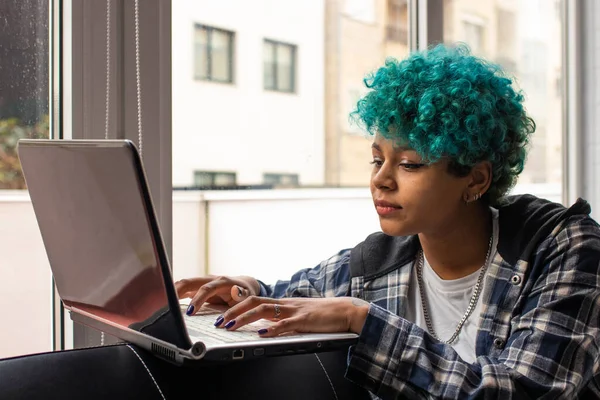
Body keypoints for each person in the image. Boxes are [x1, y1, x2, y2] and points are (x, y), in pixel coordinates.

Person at [176, 44, 600, 399]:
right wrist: (240, 291)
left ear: (476, 178)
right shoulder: (379, 263)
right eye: (377, 159)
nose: (381, 179)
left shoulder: (564, 249)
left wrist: (363, 321)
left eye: (410, 164)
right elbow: (287, 297)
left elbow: (521, 391)